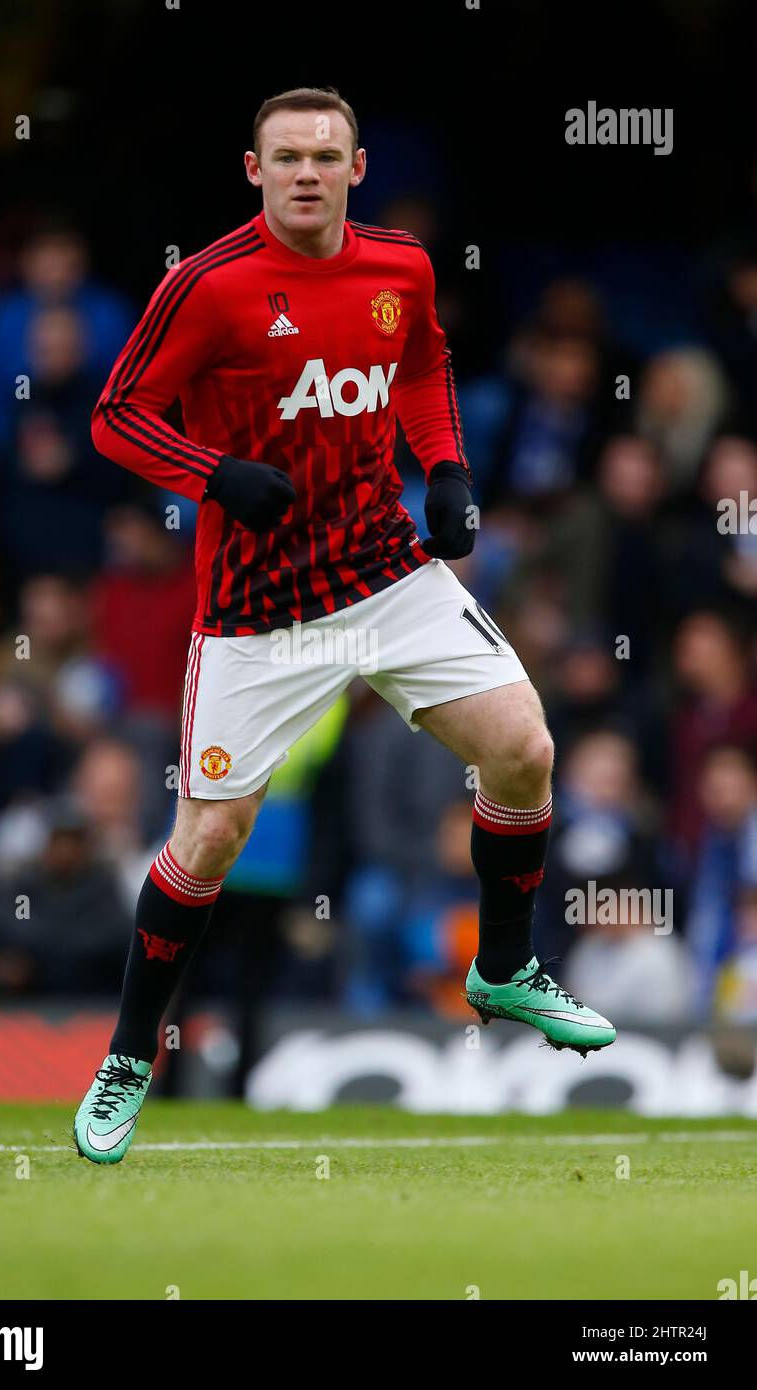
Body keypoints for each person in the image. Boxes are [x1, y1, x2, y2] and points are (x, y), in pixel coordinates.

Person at [73, 85, 615, 1165]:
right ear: (254, 169)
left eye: (327, 155)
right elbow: (114, 414)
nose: (308, 172)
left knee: (524, 748)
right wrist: (215, 473)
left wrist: (447, 465)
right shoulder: (207, 286)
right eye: (288, 157)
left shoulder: (400, 266)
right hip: (257, 609)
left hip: (381, 569)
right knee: (209, 839)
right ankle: (131, 1053)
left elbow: (420, 364)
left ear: (355, 169)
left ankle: (502, 964)